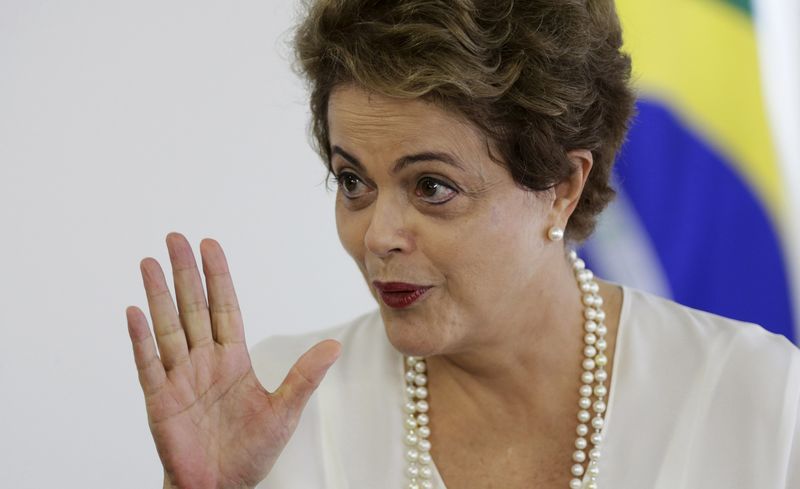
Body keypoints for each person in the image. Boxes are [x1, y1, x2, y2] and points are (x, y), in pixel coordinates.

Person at [125, 1, 800, 488]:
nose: (378, 236)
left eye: (432, 187)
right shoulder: (272, 405)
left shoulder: (762, 399)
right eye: (353, 179)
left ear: (562, 185)